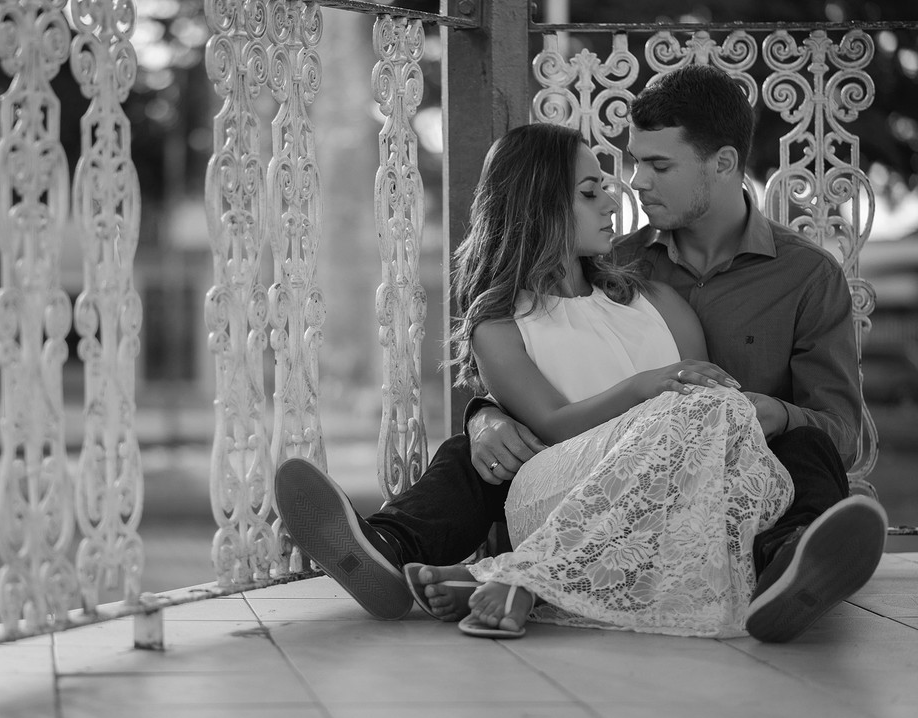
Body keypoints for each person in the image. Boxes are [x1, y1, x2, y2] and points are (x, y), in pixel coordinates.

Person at [273, 65, 888, 643]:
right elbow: (545, 368)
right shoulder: (620, 264)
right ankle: (387, 548)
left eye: (658, 165)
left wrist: (770, 414)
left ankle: (788, 563)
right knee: (473, 453)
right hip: (578, 468)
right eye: (626, 169)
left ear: (723, 164)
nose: (634, 186)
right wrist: (486, 415)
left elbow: (838, 431)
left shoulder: (804, 277)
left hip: (728, 469)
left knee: (804, 446)